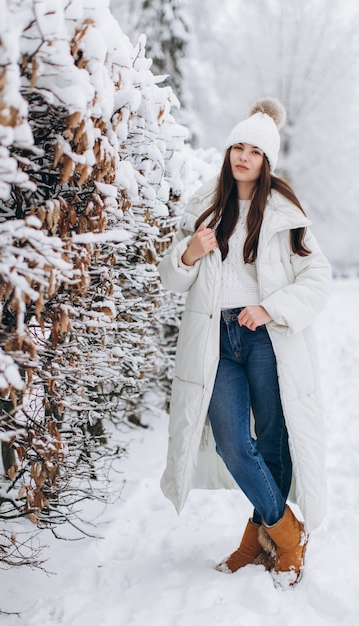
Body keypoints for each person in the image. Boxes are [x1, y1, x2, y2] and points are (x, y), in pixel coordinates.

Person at [157, 97, 332, 590]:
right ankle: (286, 531)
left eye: (254, 150)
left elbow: (316, 277)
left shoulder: (284, 211)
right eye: (237, 146)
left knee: (273, 438)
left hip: (264, 337)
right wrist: (189, 253)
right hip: (215, 339)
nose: (243, 156)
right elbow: (172, 277)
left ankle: (259, 538)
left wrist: (270, 309)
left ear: (266, 160)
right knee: (234, 441)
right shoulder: (204, 207)